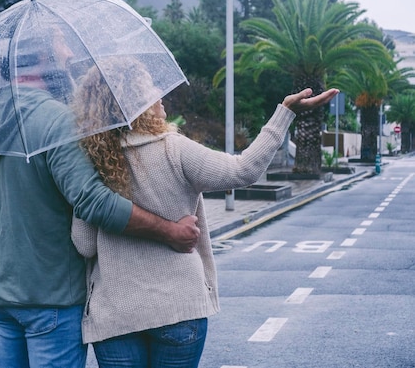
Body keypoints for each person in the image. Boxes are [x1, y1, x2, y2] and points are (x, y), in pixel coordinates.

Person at [71, 57, 339, 368]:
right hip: (179, 308)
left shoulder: (93, 163)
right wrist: (285, 113)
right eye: (149, 87)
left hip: (116, 314)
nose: (159, 93)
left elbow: (84, 244)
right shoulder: (174, 148)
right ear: (136, 100)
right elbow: (244, 170)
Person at [0, 28, 200, 368]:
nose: (69, 54)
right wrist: (169, 231)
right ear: (42, 55)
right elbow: (93, 202)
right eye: (60, 42)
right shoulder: (56, 120)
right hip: (50, 297)